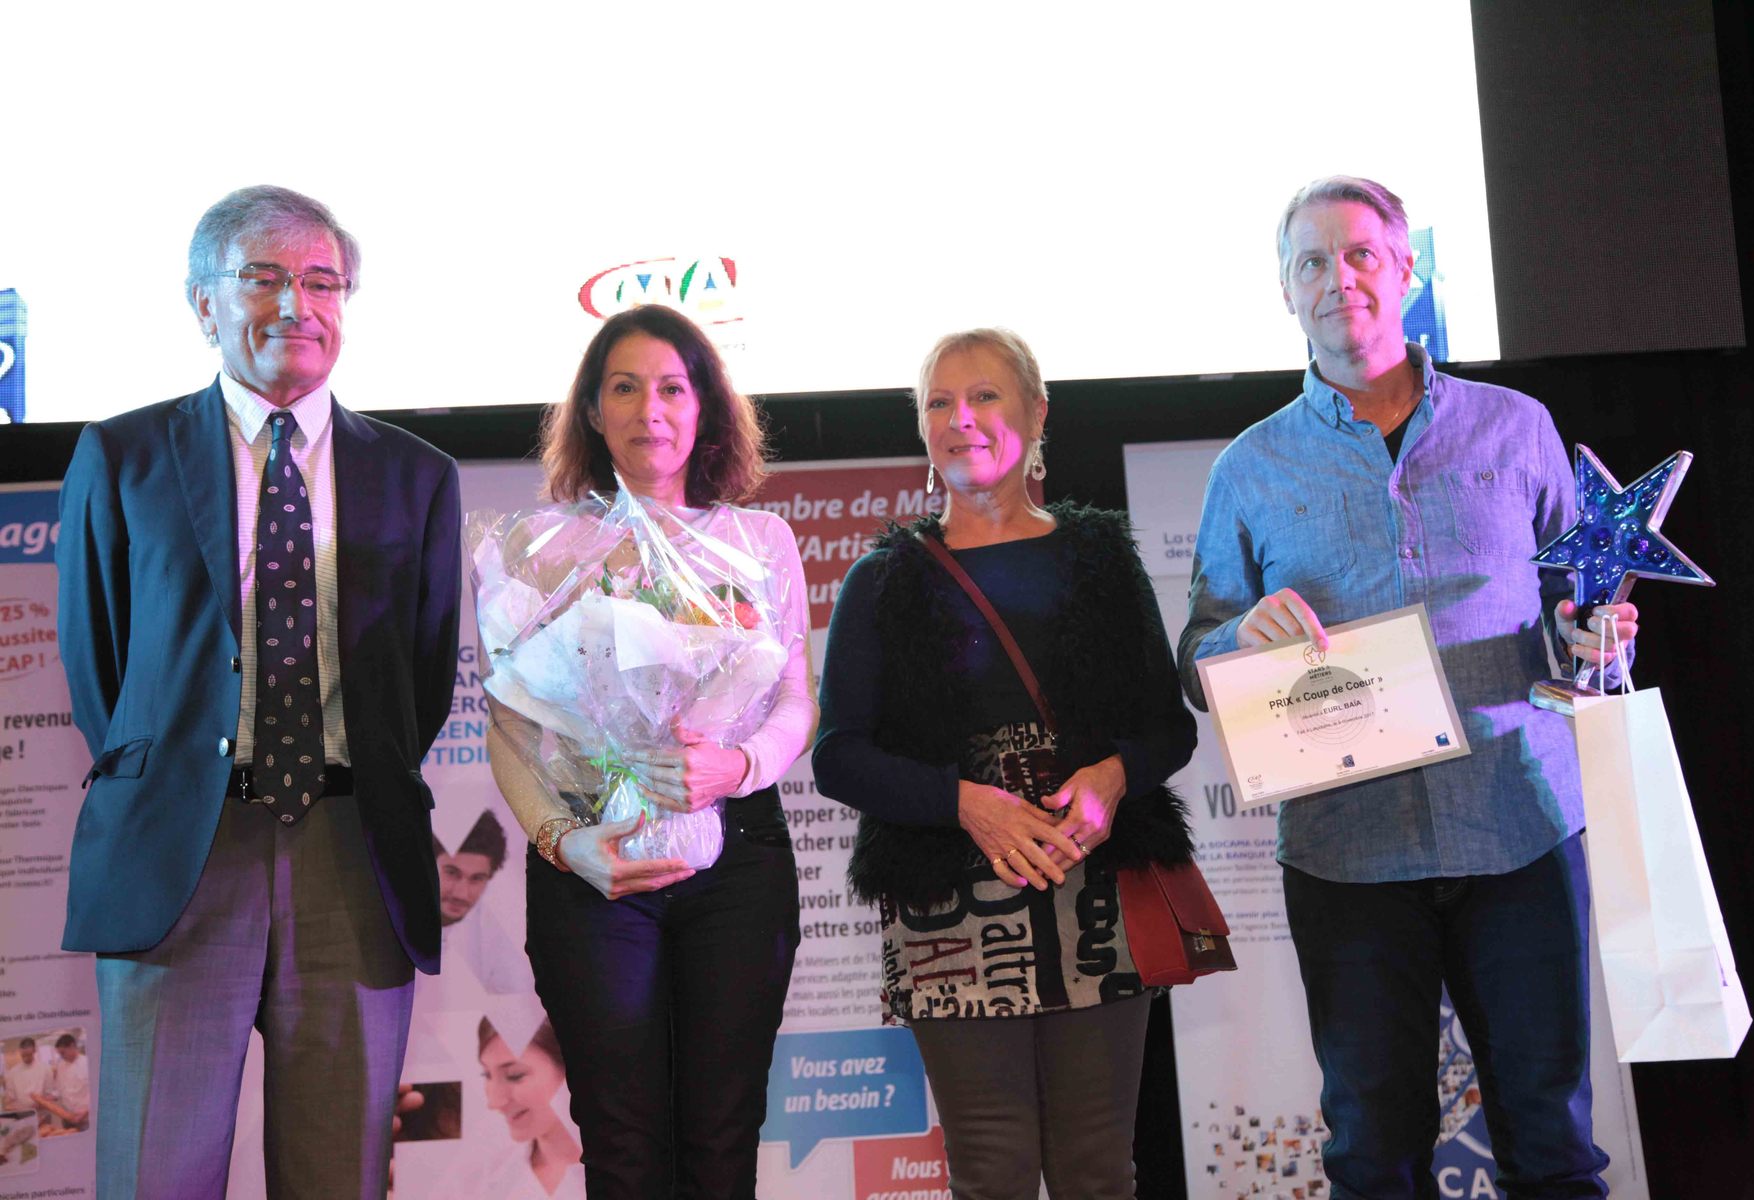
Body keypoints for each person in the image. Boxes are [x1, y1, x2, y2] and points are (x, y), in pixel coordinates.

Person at [1179, 176, 1635, 1197]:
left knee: (1553, 1143)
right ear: (1286, 291)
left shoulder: (1516, 426)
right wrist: (1240, 638)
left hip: (1520, 825)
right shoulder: (1249, 469)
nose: (1337, 279)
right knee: (1372, 1154)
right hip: (1348, 851)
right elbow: (1199, 658)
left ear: (1405, 270)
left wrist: (1593, 635)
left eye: (1359, 255)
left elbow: (1573, 607)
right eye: (1311, 262)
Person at [56, 185, 462, 1198]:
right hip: (179, 856)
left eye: (323, 281)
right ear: (204, 303)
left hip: (353, 854)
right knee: (155, 1175)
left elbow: (420, 682)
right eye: (264, 277)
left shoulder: (416, 475)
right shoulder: (123, 456)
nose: (298, 305)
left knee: (339, 1177)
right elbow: (100, 668)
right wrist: (182, 774)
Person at [813, 328, 1198, 1198]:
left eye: (984, 395)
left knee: (1098, 1169)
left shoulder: (1100, 558)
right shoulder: (883, 579)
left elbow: (1167, 731)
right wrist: (964, 803)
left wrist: (1112, 779)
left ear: (1036, 412)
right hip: (948, 907)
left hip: (1094, 890)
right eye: (940, 403)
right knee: (992, 1172)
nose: (962, 419)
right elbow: (838, 758)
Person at [483, 303, 815, 1198]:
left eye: (672, 388)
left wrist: (737, 766)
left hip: (736, 859)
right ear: (593, 410)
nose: (649, 410)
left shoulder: (759, 542)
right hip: (595, 863)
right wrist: (564, 842)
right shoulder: (537, 547)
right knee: (621, 1140)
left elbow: (795, 698)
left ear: (705, 406)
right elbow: (510, 725)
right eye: (624, 388)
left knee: (722, 1133)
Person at [472, 1016, 584, 1199]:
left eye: (514, 1075)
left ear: (571, 1068)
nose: (494, 1102)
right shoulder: (485, 1180)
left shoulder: (625, 1168)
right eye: (487, 1074)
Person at [432, 810, 536, 996]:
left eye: (477, 878)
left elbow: (515, 992)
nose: (461, 893)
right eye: (452, 873)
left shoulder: (495, 937)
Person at [38, 1035, 90, 1132]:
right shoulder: (61, 1065)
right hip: (67, 1117)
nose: (61, 1056)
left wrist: (87, 1111)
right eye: (59, 1054)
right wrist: (49, 1098)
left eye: (63, 1053)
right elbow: (59, 1089)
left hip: (86, 1118)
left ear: (72, 1046)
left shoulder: (88, 1063)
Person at [1, 1039, 50, 1119]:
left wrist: (42, 1102)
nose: (26, 1058)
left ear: (34, 1051)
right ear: (20, 1052)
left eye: (28, 1055)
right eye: (23, 1055)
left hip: (43, 1114)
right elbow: (10, 1097)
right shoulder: (13, 1072)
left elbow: (50, 1093)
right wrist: (13, 1106)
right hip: (22, 1115)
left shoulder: (45, 1069)